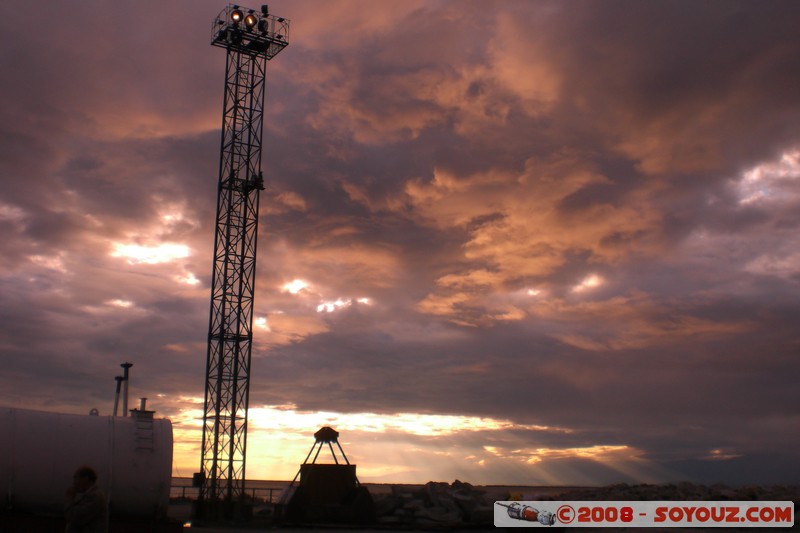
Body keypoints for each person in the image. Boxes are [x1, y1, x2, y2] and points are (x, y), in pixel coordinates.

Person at [64, 466, 109, 533]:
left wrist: (69, 499)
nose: (74, 483)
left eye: (76, 478)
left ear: (86, 478)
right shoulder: (91, 495)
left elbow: (77, 517)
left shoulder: (94, 496)